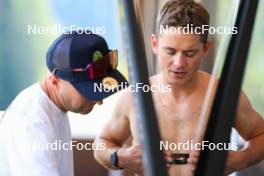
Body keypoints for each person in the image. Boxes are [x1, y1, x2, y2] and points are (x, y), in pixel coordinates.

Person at [94, 1, 264, 176]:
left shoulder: (222, 94)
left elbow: (261, 135)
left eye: (190, 53)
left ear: (205, 48)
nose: (179, 63)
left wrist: (240, 159)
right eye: (170, 51)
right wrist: (119, 157)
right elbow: (102, 143)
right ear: (154, 44)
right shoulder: (135, 95)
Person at [0, 30, 128, 176]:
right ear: (55, 81)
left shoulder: (53, 107)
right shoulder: (31, 123)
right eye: (88, 92)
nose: (99, 101)